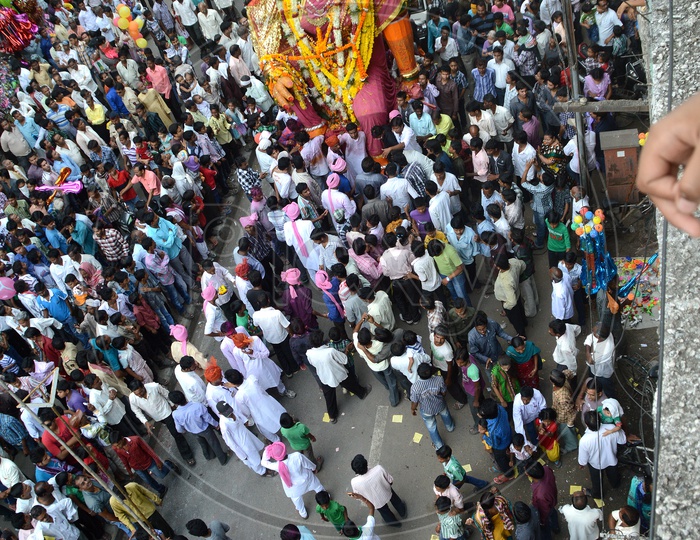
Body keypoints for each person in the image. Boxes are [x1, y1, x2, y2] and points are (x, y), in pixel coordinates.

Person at [305, 329, 371, 423]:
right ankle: (362, 393)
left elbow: (312, 363)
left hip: (323, 376)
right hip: (337, 373)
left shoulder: (309, 353)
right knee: (351, 383)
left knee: (329, 396)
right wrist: (347, 350)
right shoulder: (330, 351)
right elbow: (344, 360)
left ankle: (332, 416)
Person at [128, 380, 195, 466]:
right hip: (157, 417)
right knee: (175, 427)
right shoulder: (132, 398)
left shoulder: (154, 386)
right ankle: (181, 426)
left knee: (175, 434)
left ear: (143, 386)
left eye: (140, 392)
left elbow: (167, 394)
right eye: (137, 394)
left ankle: (187, 455)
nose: (139, 395)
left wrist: (171, 404)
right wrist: (145, 422)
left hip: (167, 412)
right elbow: (136, 411)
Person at [261, 441, 325, 519]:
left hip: (294, 489)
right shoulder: (297, 456)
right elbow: (308, 464)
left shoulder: (277, 466)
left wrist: (267, 450)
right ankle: (326, 497)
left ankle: (303, 514)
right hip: (307, 479)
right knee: (318, 487)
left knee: (297, 501)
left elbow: (263, 462)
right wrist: (314, 468)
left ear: (274, 457)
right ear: (285, 450)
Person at [169, 390, 229, 466]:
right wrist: (216, 424)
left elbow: (178, 428)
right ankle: (223, 459)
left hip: (193, 432)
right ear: (184, 396)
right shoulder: (197, 406)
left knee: (202, 443)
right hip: (205, 429)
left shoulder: (175, 414)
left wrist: (183, 430)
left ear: (175, 403)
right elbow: (208, 418)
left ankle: (209, 456)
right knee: (214, 443)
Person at [216, 402, 274, 478]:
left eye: (229, 410)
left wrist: (245, 421)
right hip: (242, 443)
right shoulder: (224, 425)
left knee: (255, 451)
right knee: (253, 460)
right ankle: (262, 471)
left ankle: (261, 462)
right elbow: (230, 442)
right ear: (220, 413)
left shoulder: (231, 412)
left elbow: (239, 416)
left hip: (247, 434)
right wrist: (241, 454)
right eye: (227, 412)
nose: (230, 413)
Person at [578, 410, 626, 500]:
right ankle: (615, 484)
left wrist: (582, 464)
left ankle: (597, 494)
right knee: (613, 475)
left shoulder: (584, 441)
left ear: (586, 424)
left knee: (597, 481)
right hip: (611, 460)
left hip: (596, 465)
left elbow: (583, 459)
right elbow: (623, 440)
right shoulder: (611, 428)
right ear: (600, 419)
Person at [350, 454, 407, 527]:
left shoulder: (354, 482)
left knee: (384, 512)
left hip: (375, 501)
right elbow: (390, 480)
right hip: (387, 492)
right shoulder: (378, 469)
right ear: (366, 463)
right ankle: (402, 511)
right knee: (396, 501)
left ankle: (394, 523)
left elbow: (358, 496)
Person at [411, 363, 455, 450]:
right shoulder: (439, 379)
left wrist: (413, 409)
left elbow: (414, 401)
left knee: (432, 428)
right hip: (440, 404)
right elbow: (443, 392)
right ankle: (450, 427)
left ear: (418, 374)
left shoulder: (415, 387)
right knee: (445, 414)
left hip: (426, 410)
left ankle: (439, 445)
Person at [583, 324, 616, 399]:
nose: (592, 333)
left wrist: (588, 354)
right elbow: (589, 338)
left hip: (602, 373)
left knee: (608, 389)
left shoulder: (605, 350)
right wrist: (588, 353)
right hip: (594, 368)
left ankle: (611, 402)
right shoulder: (605, 334)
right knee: (592, 379)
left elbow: (590, 361)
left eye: (594, 333)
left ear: (598, 337)